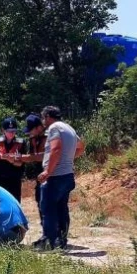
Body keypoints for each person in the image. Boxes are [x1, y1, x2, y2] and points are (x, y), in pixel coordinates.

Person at [34, 106, 86, 251]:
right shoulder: (69, 128)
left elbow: (56, 149)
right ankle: (61, 241)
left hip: (55, 176)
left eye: (43, 118)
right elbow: (81, 147)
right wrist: (67, 159)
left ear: (48, 116)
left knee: (48, 208)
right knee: (62, 209)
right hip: (67, 175)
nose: (43, 121)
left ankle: (50, 242)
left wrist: (47, 172)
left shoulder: (54, 128)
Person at [0, 117, 26, 202]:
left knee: (14, 203)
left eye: (13, 130)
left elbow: (21, 163)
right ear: (3, 130)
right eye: (9, 131)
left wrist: (12, 160)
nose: (11, 133)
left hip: (14, 180)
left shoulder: (21, 143)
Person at [20, 114, 48, 231]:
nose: (29, 133)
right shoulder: (32, 139)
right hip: (39, 174)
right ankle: (46, 230)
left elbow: (43, 156)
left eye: (31, 130)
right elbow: (32, 157)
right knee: (39, 199)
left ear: (38, 127)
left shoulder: (49, 136)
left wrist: (22, 158)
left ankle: (56, 231)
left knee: (50, 202)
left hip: (50, 172)